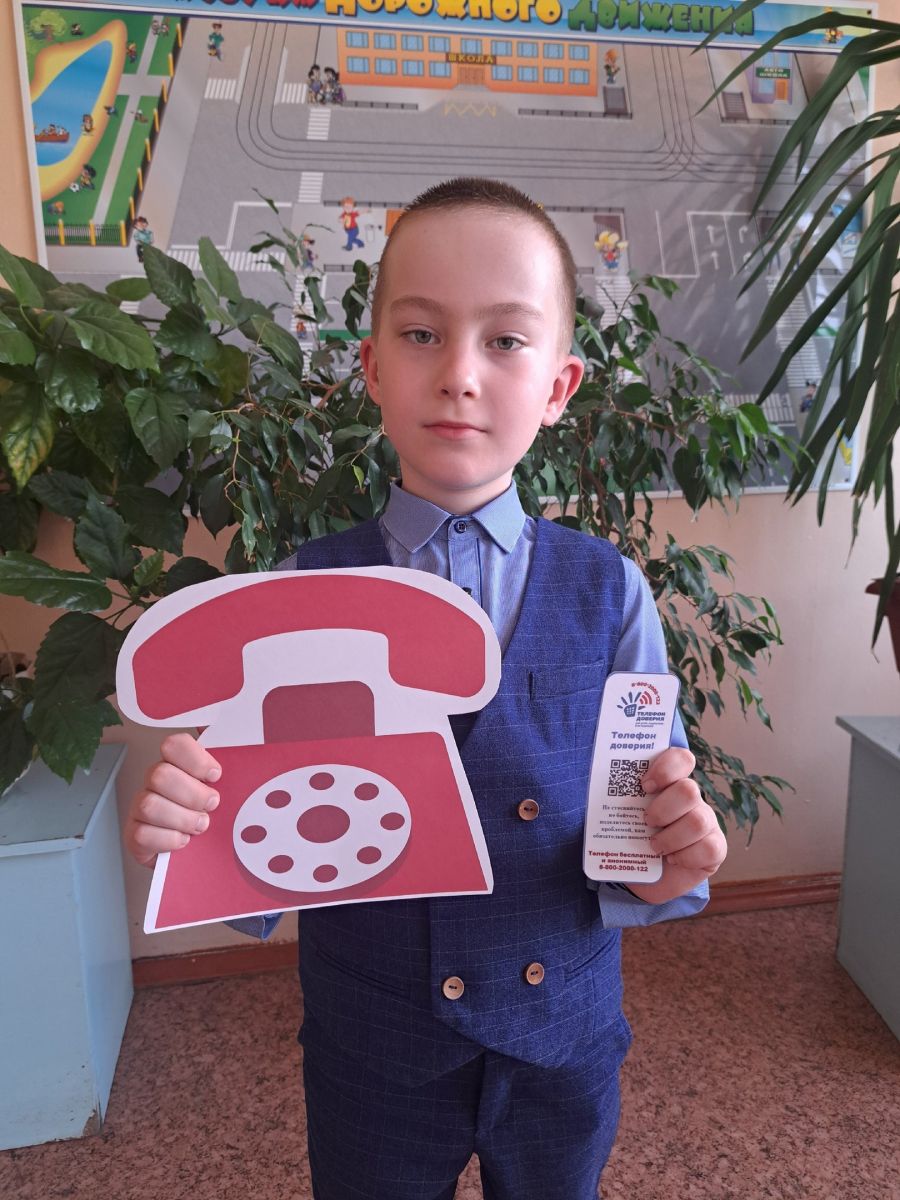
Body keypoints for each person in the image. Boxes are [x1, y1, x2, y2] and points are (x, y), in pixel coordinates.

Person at [124, 177, 727, 1200]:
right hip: (375, 1048)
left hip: (561, 1037)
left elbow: (638, 843)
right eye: (419, 335)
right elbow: (262, 864)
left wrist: (672, 863)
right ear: (370, 367)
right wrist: (198, 832)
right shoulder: (300, 592)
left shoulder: (611, 589)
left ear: (560, 386)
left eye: (506, 340)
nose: (458, 375)